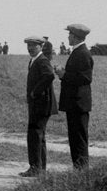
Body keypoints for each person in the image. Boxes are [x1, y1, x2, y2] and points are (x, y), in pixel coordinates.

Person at [55, 23, 94, 169]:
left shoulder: (82, 53)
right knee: (75, 137)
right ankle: (78, 169)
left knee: (79, 138)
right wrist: (64, 73)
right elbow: (78, 75)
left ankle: (81, 170)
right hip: (75, 103)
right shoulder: (78, 52)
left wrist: (64, 75)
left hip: (78, 104)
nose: (68, 37)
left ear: (75, 36)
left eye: (69, 34)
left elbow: (85, 78)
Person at [20, 36, 56, 177]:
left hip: (41, 104)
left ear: (41, 47)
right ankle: (40, 168)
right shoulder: (34, 60)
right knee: (38, 135)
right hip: (37, 103)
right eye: (28, 46)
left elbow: (49, 75)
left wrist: (35, 92)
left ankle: (35, 168)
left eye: (33, 46)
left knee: (35, 135)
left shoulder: (42, 60)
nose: (30, 48)